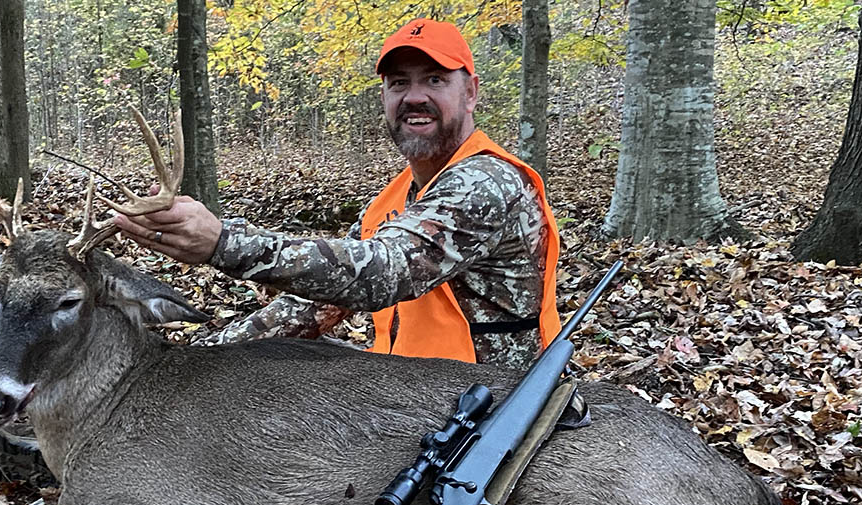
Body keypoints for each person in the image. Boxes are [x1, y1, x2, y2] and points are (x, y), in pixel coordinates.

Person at [114, 19, 561, 369]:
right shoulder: (394, 201)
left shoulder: (487, 182)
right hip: (418, 395)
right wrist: (192, 359)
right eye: (399, 83)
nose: (414, 97)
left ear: (470, 93)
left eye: (435, 80)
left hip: (495, 408)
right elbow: (316, 304)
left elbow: (381, 273)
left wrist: (223, 243)